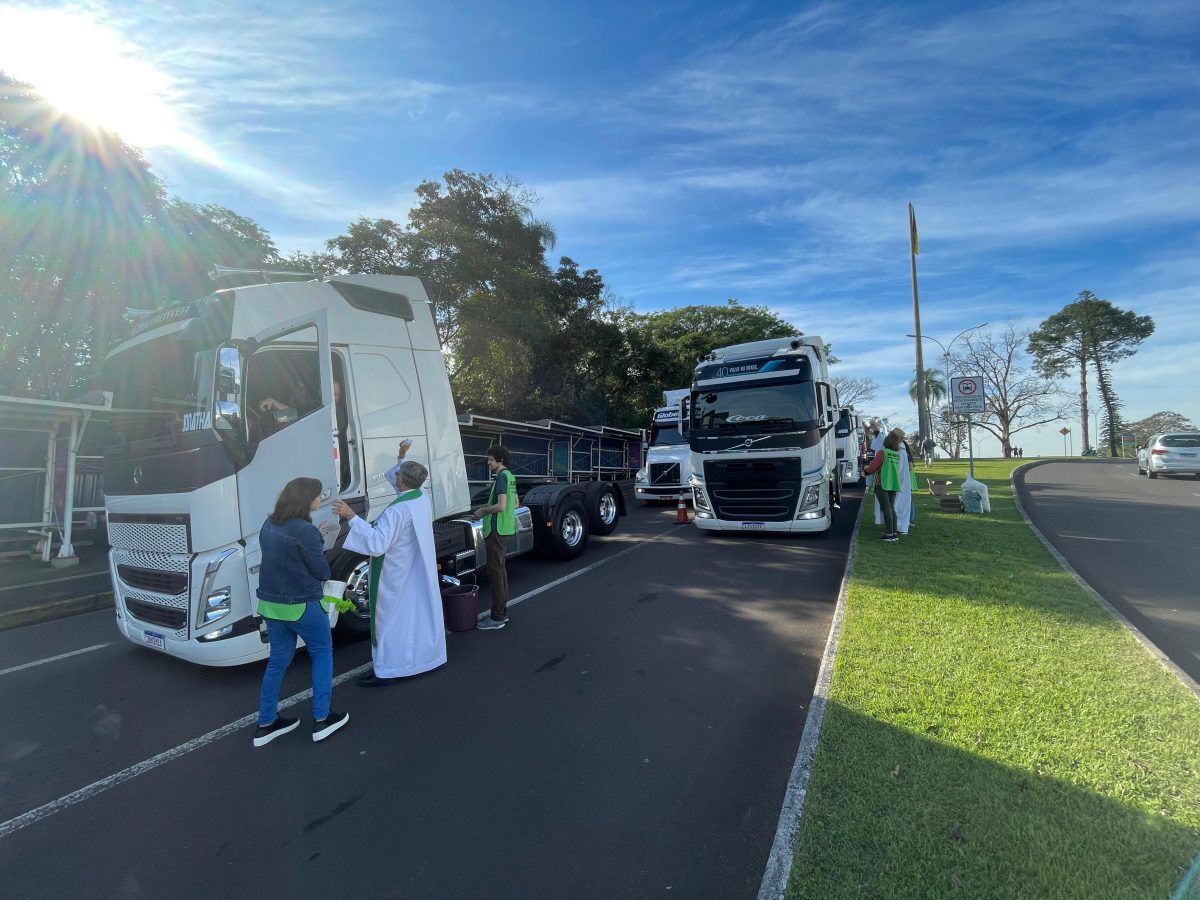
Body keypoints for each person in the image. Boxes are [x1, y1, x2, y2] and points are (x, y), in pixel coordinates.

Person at [333, 451, 445, 685]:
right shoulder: (420, 497)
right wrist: (401, 458)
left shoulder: (397, 510)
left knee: (388, 620)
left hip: (393, 573)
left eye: (398, 475)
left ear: (400, 480)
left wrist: (351, 516)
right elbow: (408, 480)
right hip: (414, 570)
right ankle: (421, 660)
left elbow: (376, 543)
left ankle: (387, 669)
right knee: (414, 617)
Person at [253, 477, 349, 747]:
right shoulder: (305, 531)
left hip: (271, 605)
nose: (320, 499)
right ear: (308, 499)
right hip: (302, 605)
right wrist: (316, 540)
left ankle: (266, 722)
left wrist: (310, 539)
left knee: (277, 661)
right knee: (321, 654)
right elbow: (321, 572)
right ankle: (322, 719)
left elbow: (283, 555)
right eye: (318, 495)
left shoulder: (269, 523)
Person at [474, 444, 517, 631]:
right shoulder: (510, 476)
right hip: (504, 528)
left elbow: (500, 506)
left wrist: (483, 510)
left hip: (496, 529)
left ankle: (498, 616)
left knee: (495, 572)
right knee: (500, 571)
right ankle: (501, 612)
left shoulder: (501, 477)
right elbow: (515, 502)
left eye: (491, 459)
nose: (488, 462)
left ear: (500, 460)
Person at [864, 430, 902, 542]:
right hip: (894, 483)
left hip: (882, 483)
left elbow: (873, 467)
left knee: (886, 509)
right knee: (891, 508)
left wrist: (865, 472)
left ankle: (889, 534)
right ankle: (894, 533)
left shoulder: (882, 452)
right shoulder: (896, 454)